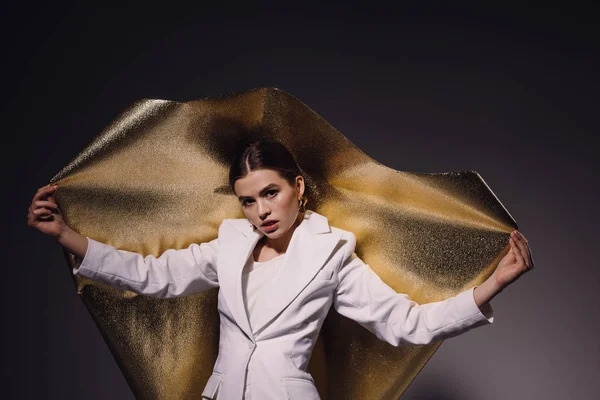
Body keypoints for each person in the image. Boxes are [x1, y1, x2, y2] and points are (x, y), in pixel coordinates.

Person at [27, 139, 534, 400]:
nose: (261, 210)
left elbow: (406, 325)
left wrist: (493, 284)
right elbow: (151, 274)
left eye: (271, 193)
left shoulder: (331, 253)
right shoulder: (228, 245)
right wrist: (66, 236)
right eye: (248, 201)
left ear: (298, 187)